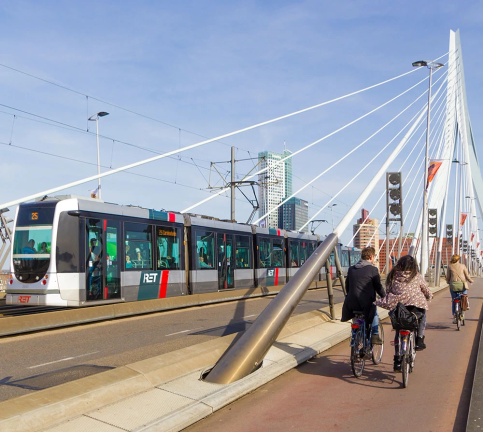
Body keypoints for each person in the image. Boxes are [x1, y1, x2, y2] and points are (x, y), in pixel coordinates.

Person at [375, 254, 433, 371]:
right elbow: (425, 290)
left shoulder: (393, 275)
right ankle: (419, 339)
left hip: (399, 308)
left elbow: (388, 290)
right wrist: (429, 296)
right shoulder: (416, 275)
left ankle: (397, 361)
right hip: (415, 307)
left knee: (398, 330)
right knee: (422, 316)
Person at [342, 246, 386, 345]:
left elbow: (347, 286)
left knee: (356, 320)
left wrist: (350, 296)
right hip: (366, 304)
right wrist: (385, 297)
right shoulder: (373, 270)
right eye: (374, 257)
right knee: (374, 312)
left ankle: (354, 339)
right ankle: (375, 335)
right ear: (371, 257)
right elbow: (378, 287)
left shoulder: (351, 269)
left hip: (351, 302)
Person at [446, 254, 473, 322]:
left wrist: (448, 281)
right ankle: (465, 308)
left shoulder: (450, 266)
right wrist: (471, 281)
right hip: (462, 285)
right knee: (464, 297)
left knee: (454, 300)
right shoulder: (463, 266)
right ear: (458, 259)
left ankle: (454, 317)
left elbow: (448, 277)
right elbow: (467, 276)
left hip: (453, 285)